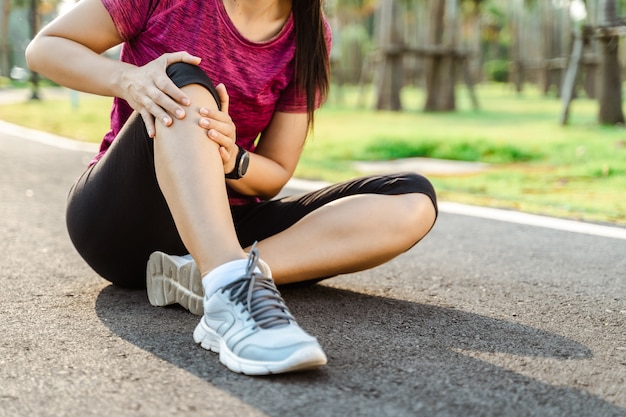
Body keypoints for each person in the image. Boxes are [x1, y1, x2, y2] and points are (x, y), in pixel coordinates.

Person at [25, 0, 438, 375]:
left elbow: (274, 171)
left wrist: (232, 159)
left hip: (227, 221)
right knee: (181, 82)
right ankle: (229, 292)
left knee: (411, 198)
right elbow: (45, 47)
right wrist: (129, 80)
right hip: (121, 223)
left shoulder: (310, 33)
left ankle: (209, 273)